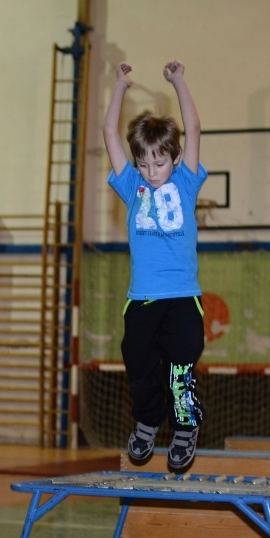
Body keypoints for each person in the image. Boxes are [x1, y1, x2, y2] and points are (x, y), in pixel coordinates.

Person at [103, 60, 208, 470]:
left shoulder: (186, 181)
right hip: (143, 299)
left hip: (182, 298)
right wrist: (119, 86)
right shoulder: (133, 186)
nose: (151, 172)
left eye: (159, 163)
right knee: (140, 368)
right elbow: (110, 133)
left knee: (180, 370)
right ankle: (147, 423)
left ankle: (185, 428)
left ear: (174, 158)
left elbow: (193, 129)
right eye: (144, 164)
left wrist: (179, 81)